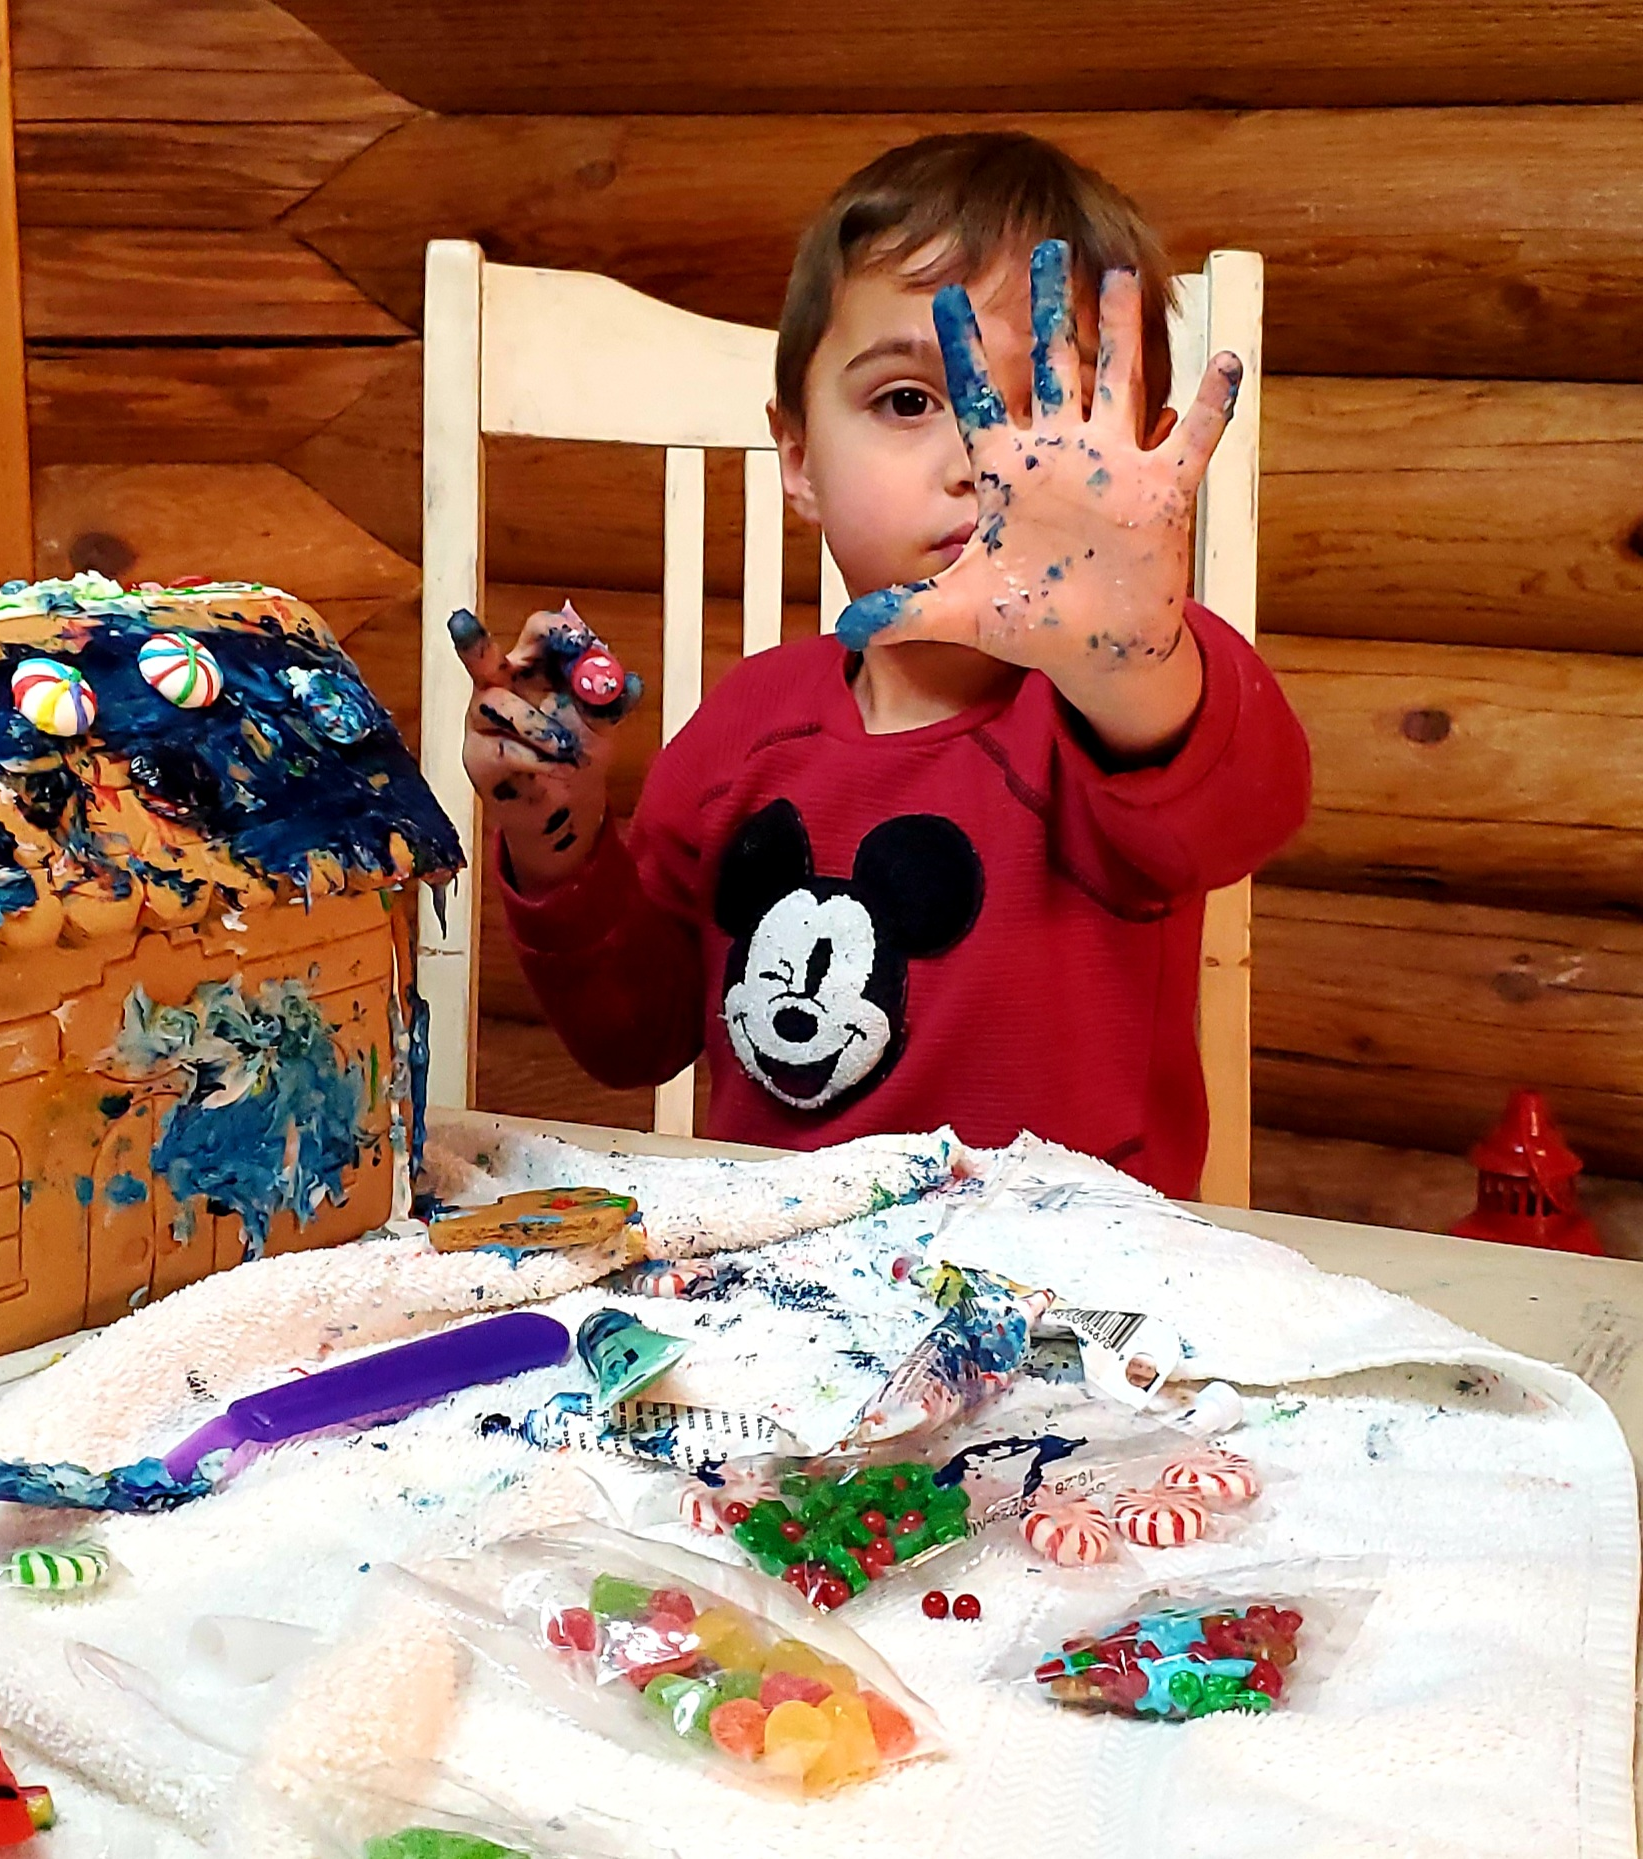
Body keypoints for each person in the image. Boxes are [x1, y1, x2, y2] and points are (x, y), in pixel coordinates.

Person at [451, 131, 1310, 1197]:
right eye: (907, 401)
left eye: (1044, 409)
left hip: (1076, 1300)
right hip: (779, 1283)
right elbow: (635, 1038)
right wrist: (555, 832)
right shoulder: (747, 724)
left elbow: (1242, 803)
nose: (977, 462)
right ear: (800, 456)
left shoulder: (1118, 711)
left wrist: (1130, 651)